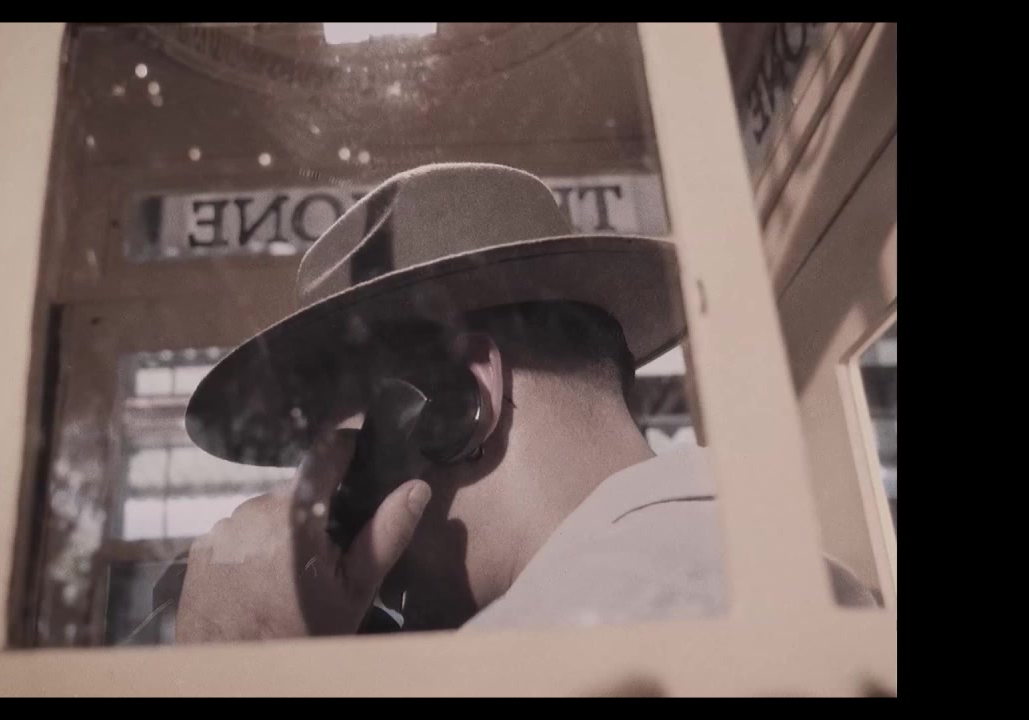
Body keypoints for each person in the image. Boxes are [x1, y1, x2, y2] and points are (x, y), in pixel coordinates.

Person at [173, 163, 873, 643]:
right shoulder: (776, 572)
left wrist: (237, 665)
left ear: (460, 401)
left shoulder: (570, 633)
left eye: (350, 472)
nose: (342, 537)